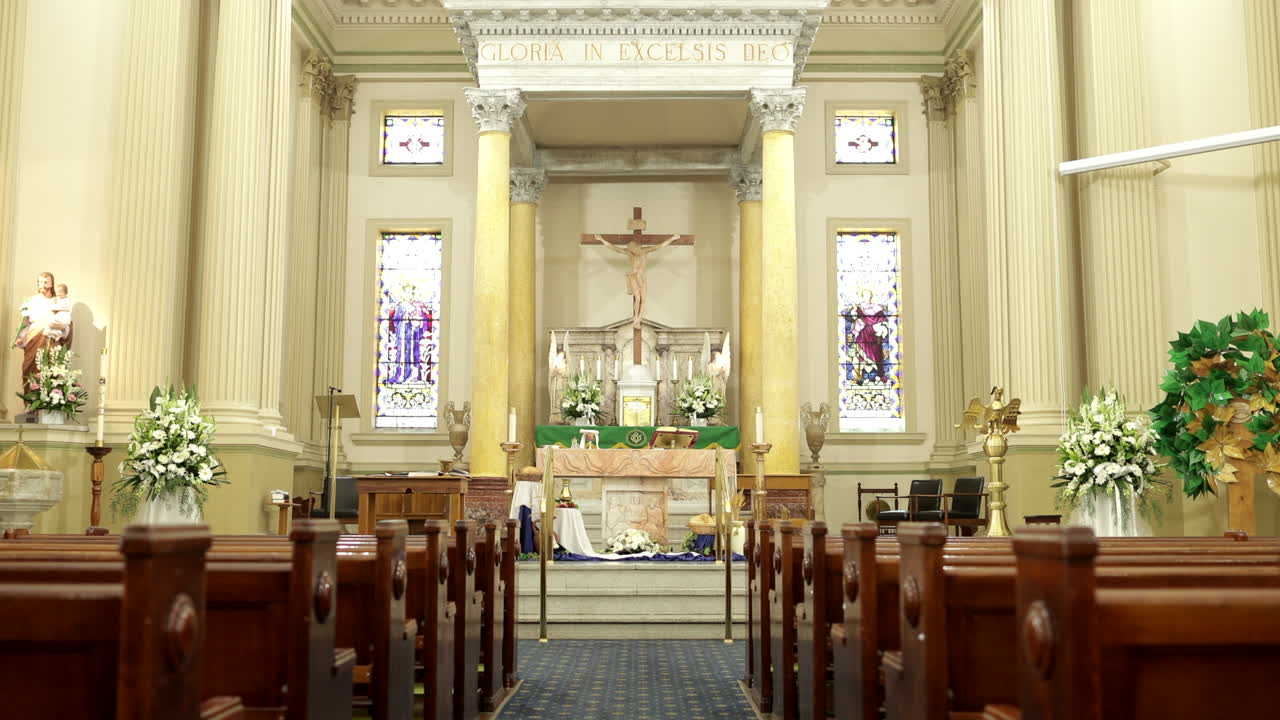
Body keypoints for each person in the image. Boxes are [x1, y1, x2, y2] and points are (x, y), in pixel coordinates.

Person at [594, 233, 682, 329]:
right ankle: (636, 317)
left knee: (643, 300)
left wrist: (672, 238)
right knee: (638, 298)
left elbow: (659, 246)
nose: (633, 252)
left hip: (642, 277)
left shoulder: (645, 251)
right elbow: (614, 248)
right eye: (631, 250)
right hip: (634, 276)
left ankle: (638, 319)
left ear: (637, 247)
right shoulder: (629, 253)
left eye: (634, 249)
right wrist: (601, 239)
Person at [12, 272, 71, 396]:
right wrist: (20, 338)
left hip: (52, 341)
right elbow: (25, 324)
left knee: (51, 372)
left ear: (52, 284)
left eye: (46, 282)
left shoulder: (58, 301)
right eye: (40, 282)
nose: (42, 285)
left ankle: (49, 402)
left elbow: (67, 321)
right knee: (29, 370)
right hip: (33, 339)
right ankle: (30, 404)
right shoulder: (31, 300)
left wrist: (63, 328)